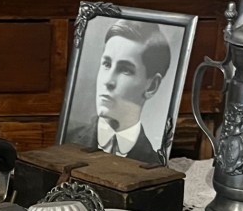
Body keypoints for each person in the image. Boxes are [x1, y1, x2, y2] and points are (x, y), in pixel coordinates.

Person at [67, 19, 172, 164]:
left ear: (152, 86)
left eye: (125, 70)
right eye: (106, 64)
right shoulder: (67, 139)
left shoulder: (155, 164)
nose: (108, 81)